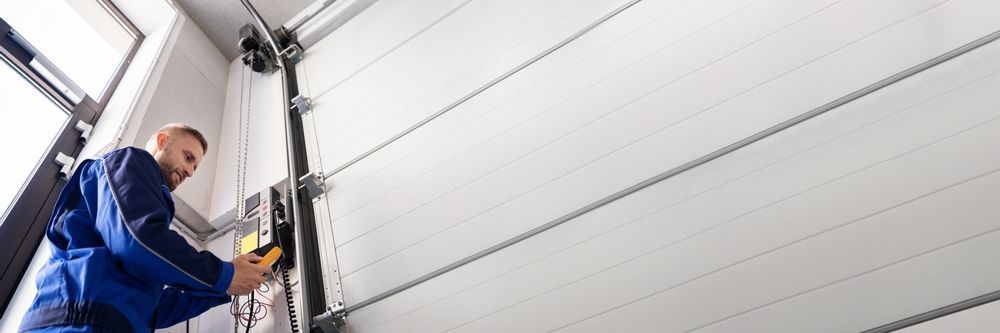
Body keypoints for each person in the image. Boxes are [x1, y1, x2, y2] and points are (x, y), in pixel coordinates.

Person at [19, 123, 271, 333]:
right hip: (75, 323)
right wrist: (224, 274)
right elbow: (137, 240)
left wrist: (225, 288)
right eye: (188, 157)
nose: (191, 171)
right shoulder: (130, 160)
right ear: (162, 141)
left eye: (195, 166)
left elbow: (152, 308)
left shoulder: (141, 229)